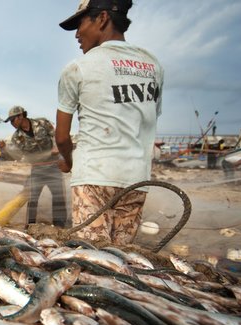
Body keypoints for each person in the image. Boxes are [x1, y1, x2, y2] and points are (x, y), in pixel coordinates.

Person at [55, 0, 164, 245]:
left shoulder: (77, 68)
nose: (76, 34)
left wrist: (67, 161)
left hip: (94, 178)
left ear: (102, 18)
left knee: (93, 258)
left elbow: (62, 137)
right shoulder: (153, 65)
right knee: (120, 258)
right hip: (136, 179)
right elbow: (147, 119)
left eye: (80, 23)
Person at [0, 105, 68, 228]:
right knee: (32, 198)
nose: (11, 123)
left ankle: (59, 226)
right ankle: (30, 225)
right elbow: (18, 156)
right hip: (37, 169)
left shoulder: (42, 123)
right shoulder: (16, 137)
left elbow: (56, 134)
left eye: (12, 119)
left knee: (58, 197)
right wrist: (4, 149)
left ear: (21, 116)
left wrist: (57, 147)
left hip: (53, 166)